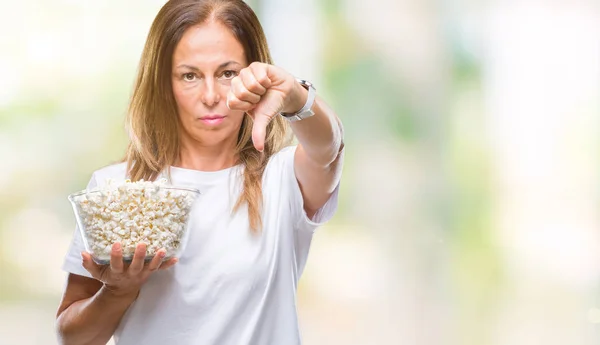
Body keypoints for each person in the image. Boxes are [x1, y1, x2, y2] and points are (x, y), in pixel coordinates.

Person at [55, 0, 344, 344]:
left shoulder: (282, 179)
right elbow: (72, 338)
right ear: (164, 84)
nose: (211, 96)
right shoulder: (117, 188)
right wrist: (119, 291)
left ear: (254, 75)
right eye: (189, 76)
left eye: (227, 73)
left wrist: (296, 96)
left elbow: (330, 149)